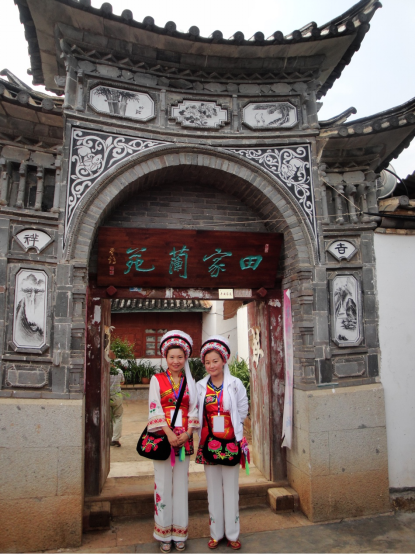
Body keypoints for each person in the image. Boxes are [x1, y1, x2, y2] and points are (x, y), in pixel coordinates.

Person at [147, 330, 199, 553]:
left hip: (184, 439)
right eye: (172, 357)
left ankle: (179, 532)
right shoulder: (156, 380)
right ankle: (163, 533)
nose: (176, 361)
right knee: (162, 484)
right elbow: (154, 407)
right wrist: (168, 433)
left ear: (185, 358)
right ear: (165, 358)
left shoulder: (190, 383)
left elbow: (194, 409)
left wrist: (188, 433)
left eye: (180, 357)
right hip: (163, 438)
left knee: (181, 486)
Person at [196, 335, 248, 550]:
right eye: (207, 362)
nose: (211, 366)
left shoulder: (235, 384)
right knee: (213, 489)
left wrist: (233, 430)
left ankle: (233, 534)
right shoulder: (200, 386)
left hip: (230, 442)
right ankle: (216, 533)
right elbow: (196, 413)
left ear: (224, 360)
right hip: (209, 442)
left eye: (215, 361)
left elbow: (242, 409)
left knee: (231, 489)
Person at [110, 365, 125, 447]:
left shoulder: (104, 370)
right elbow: (122, 382)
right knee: (118, 417)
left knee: (108, 418)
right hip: (116, 396)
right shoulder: (119, 371)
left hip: (106, 396)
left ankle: (108, 438)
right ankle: (115, 439)